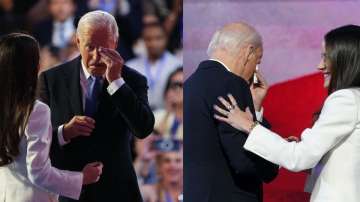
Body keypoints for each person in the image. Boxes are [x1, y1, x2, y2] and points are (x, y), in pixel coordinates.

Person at [214, 24, 360, 202]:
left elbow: (300, 158)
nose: (319, 66)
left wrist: (249, 125)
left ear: (345, 60)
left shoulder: (345, 99)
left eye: (326, 57)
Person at [38, 10, 155, 202]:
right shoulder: (51, 80)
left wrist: (117, 83)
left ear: (115, 43)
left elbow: (143, 128)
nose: (95, 57)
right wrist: (64, 132)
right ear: (77, 42)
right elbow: (36, 140)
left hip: (118, 192)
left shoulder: (133, 80)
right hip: (70, 192)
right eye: (89, 47)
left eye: (103, 48)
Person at [0, 33, 102, 202]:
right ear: (34, 66)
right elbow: (38, 173)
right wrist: (81, 178)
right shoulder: (36, 110)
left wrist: (64, 133)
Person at [184, 22, 278, 202]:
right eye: (257, 62)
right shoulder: (233, 84)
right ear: (248, 52)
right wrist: (276, 161)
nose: (255, 71)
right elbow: (244, 162)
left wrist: (255, 107)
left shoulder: (190, 84)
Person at [126, 22, 182, 109]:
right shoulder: (131, 66)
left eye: (158, 38)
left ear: (166, 38)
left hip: (168, 117)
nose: (153, 43)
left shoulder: (178, 65)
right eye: (148, 39)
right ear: (143, 40)